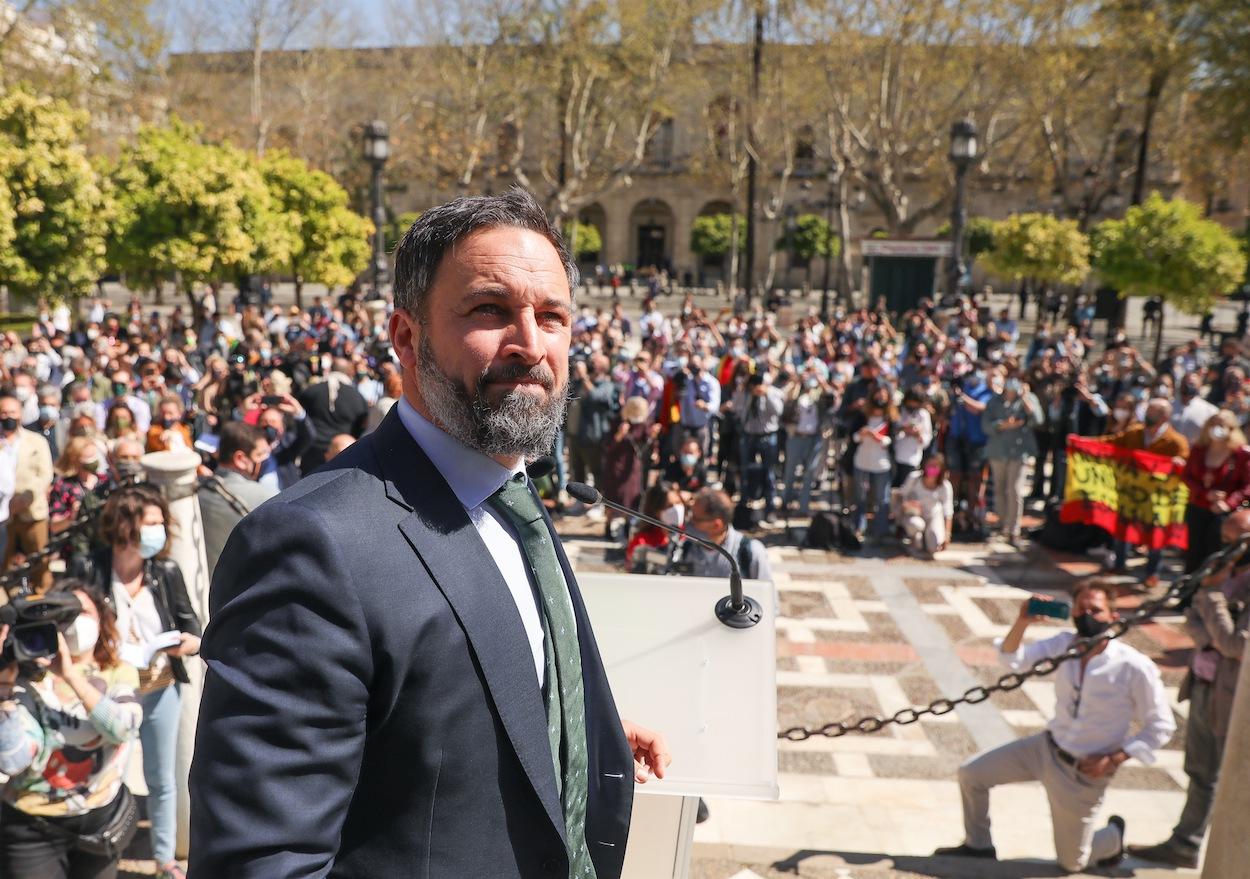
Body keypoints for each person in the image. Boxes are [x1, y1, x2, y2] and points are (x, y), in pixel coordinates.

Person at [190, 190, 667, 878]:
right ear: (407, 338)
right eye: (489, 310)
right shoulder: (310, 546)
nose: (530, 345)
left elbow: (443, 699)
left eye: (553, 317)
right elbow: (263, 862)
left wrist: (572, 737)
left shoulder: (514, 497)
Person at [935, 581, 1175, 873]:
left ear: (1113, 617)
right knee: (972, 774)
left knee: (1072, 863)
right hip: (1045, 748)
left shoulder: (1134, 666)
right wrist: (1022, 621)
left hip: (1084, 770)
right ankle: (979, 845)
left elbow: (1161, 725)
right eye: (1081, 608)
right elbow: (1013, 660)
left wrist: (1114, 759)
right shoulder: (1063, 644)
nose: (1087, 615)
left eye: (1096, 610)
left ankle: (1112, 838)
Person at [70, 484, 202, 879]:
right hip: (104, 691)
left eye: (161, 523)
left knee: (162, 778)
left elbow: (190, 624)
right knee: (95, 773)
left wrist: (185, 643)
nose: (159, 530)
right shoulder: (88, 567)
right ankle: (90, 849)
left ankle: (164, 859)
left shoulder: (165, 571)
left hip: (158, 686)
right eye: (151, 522)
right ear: (126, 525)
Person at [1129, 510, 1250, 868]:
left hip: (1233, 701)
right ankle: (1186, 841)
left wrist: (1213, 605)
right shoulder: (1222, 576)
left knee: (1227, 776)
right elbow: (1195, 625)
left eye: (1239, 541)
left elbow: (1236, 646)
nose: (1230, 549)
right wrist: (1213, 624)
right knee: (1200, 770)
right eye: (1225, 540)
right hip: (1204, 685)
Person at [0, 579, 144, 879]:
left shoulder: (119, 671)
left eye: (84, 612)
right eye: (65, 617)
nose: (76, 624)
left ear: (102, 619)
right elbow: (14, 760)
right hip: (32, 828)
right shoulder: (26, 679)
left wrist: (70, 676)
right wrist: (5, 694)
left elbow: (122, 728)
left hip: (99, 825)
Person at [1099, 397, 1190, 587]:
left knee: (1155, 534)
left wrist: (1179, 464)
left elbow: (1186, 464)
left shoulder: (1176, 442)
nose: (1148, 415)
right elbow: (1110, 443)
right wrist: (1083, 443)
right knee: (1122, 527)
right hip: (1131, 493)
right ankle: (1119, 563)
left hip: (1157, 498)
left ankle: (1152, 572)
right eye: (1148, 411)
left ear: (1165, 417)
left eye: (1153, 412)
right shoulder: (1134, 434)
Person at [199, 421, 278, 577]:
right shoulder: (264, 497)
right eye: (260, 454)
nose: (266, 460)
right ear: (241, 459)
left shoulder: (199, 488)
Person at [1180, 411, 1250, 573]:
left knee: (1216, 554)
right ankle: (1189, 593)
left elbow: (1247, 486)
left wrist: (1228, 502)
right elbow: (1187, 476)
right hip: (1198, 506)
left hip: (1223, 513)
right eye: (1214, 424)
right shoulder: (1199, 449)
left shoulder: (1241, 454)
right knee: (1194, 553)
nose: (1217, 428)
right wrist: (1205, 494)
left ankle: (1211, 589)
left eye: (1222, 424)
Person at [0, 390, 55, 593]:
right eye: (3, 413)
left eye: (12, 412)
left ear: (20, 413)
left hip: (32, 511)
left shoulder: (36, 441)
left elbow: (45, 474)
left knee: (39, 560)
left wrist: (26, 497)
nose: (8, 417)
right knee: (3, 561)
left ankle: (41, 595)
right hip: (3, 515)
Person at [982, 376, 1042, 546]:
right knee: (999, 488)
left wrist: (1025, 399)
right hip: (998, 451)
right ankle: (1002, 524)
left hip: (1020, 452)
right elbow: (985, 425)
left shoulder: (1027, 400)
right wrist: (1003, 425)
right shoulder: (994, 402)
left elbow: (1039, 420)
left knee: (1015, 489)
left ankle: (1014, 529)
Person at [680, 487, 772, 581]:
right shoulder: (683, 549)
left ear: (717, 525)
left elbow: (765, 592)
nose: (689, 523)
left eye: (696, 519)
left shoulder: (752, 552)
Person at [296, 357, 369, 474]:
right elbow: (361, 427)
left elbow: (299, 417)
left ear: (331, 369)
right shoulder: (358, 398)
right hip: (342, 457)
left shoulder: (312, 391)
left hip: (313, 452)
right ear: (349, 372)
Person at [945, 364, 992, 537]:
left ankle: (973, 517)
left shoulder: (986, 390)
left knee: (975, 479)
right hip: (956, 438)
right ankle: (953, 515)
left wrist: (963, 398)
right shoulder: (960, 387)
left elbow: (980, 408)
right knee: (954, 476)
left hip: (977, 441)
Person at [848, 389, 896, 541]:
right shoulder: (863, 416)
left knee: (882, 499)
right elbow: (853, 437)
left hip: (881, 464)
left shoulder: (890, 418)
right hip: (862, 462)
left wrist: (877, 437)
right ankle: (858, 527)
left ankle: (880, 531)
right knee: (860, 496)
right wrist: (861, 434)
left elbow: (893, 441)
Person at [896, 454, 954, 557]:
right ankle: (914, 538)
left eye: (935, 466)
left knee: (933, 547)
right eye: (930, 465)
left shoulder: (945, 485)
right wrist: (908, 504)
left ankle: (926, 537)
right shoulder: (914, 477)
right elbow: (901, 495)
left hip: (933, 516)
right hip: (914, 515)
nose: (932, 468)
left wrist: (947, 534)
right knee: (916, 525)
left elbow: (948, 510)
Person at [255, 395, 315, 491]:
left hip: (286, 493)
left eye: (273, 422)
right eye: (264, 421)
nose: (268, 425)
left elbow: (308, 436)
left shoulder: (287, 443)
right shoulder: (252, 445)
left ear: (282, 427)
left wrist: (299, 413)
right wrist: (242, 412)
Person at [624, 482, 682, 572]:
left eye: (678, 503)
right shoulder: (642, 542)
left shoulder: (688, 535)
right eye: (670, 506)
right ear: (657, 511)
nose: (676, 509)